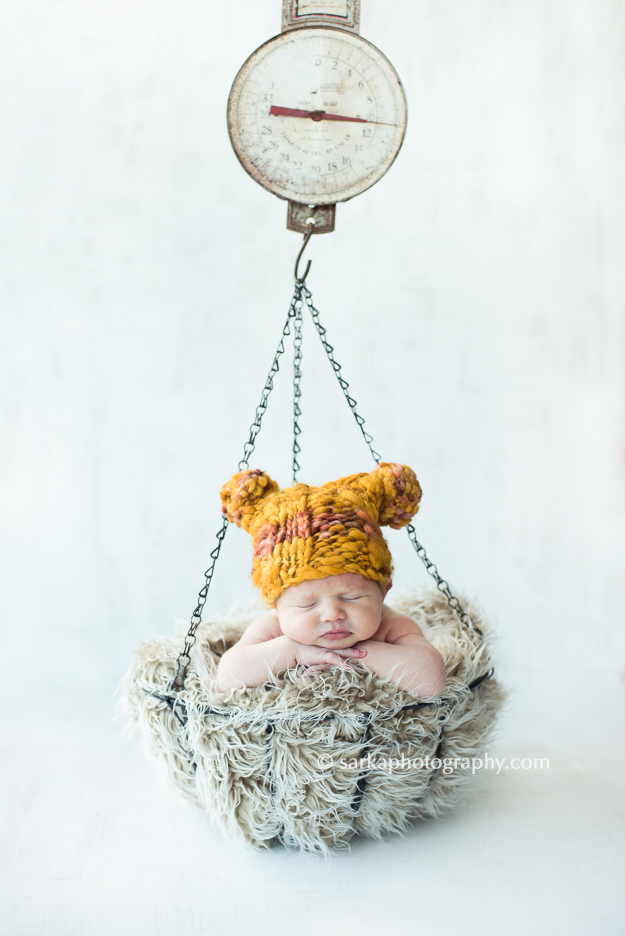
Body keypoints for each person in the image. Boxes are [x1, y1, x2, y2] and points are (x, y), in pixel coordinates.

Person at [215, 462, 446, 696]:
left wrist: (361, 653)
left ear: (384, 591)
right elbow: (228, 677)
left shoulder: (390, 627)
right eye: (308, 604)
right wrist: (293, 650)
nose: (332, 614)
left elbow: (432, 680)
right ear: (275, 604)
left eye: (352, 597)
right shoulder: (275, 630)